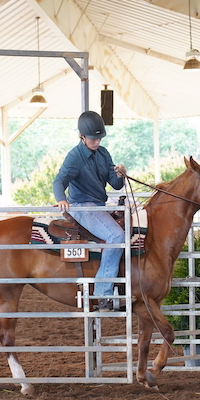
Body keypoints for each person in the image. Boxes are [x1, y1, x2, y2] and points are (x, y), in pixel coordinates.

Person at [53, 110, 126, 311]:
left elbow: (116, 184)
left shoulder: (104, 154)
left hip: (99, 206)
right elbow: (59, 180)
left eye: (99, 138)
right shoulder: (74, 157)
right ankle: (103, 293)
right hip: (82, 206)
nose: (97, 141)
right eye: (93, 138)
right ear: (82, 137)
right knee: (116, 235)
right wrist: (61, 199)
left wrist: (120, 174)